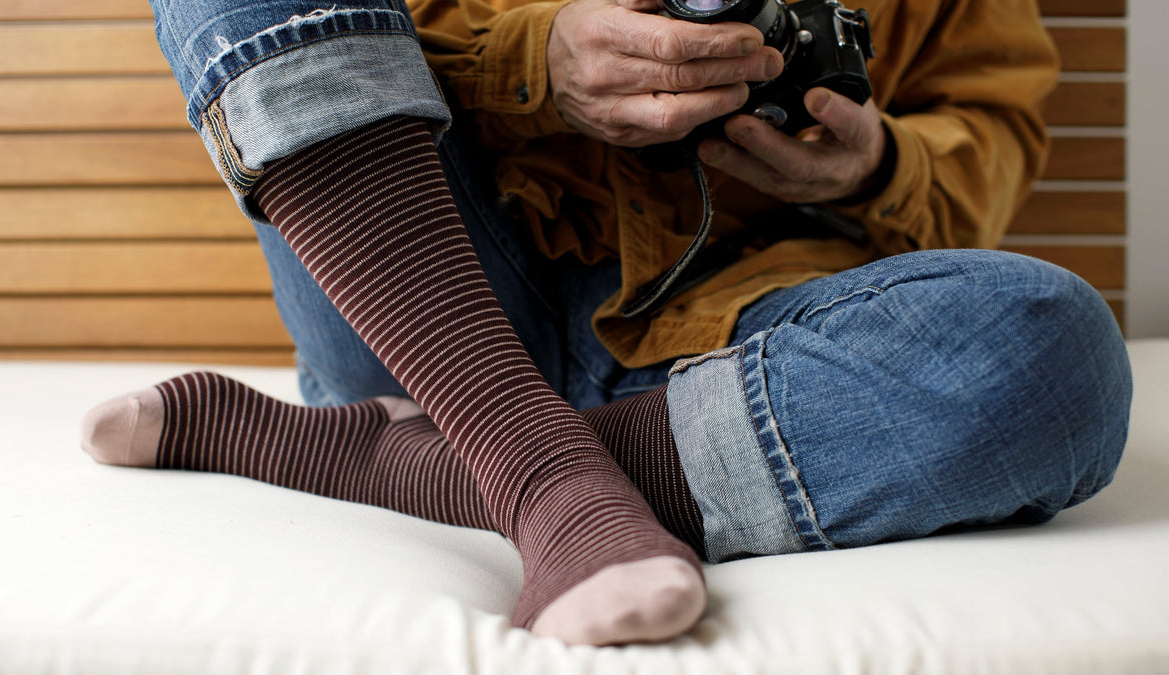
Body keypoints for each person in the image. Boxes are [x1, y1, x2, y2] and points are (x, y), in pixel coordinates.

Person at [81, 0, 1132, 646]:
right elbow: (337, 37)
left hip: (744, 333)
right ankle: (540, 469)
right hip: (429, 286)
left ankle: (403, 456)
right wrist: (537, 64)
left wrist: (880, 163)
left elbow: (991, 125)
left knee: (1051, 351)